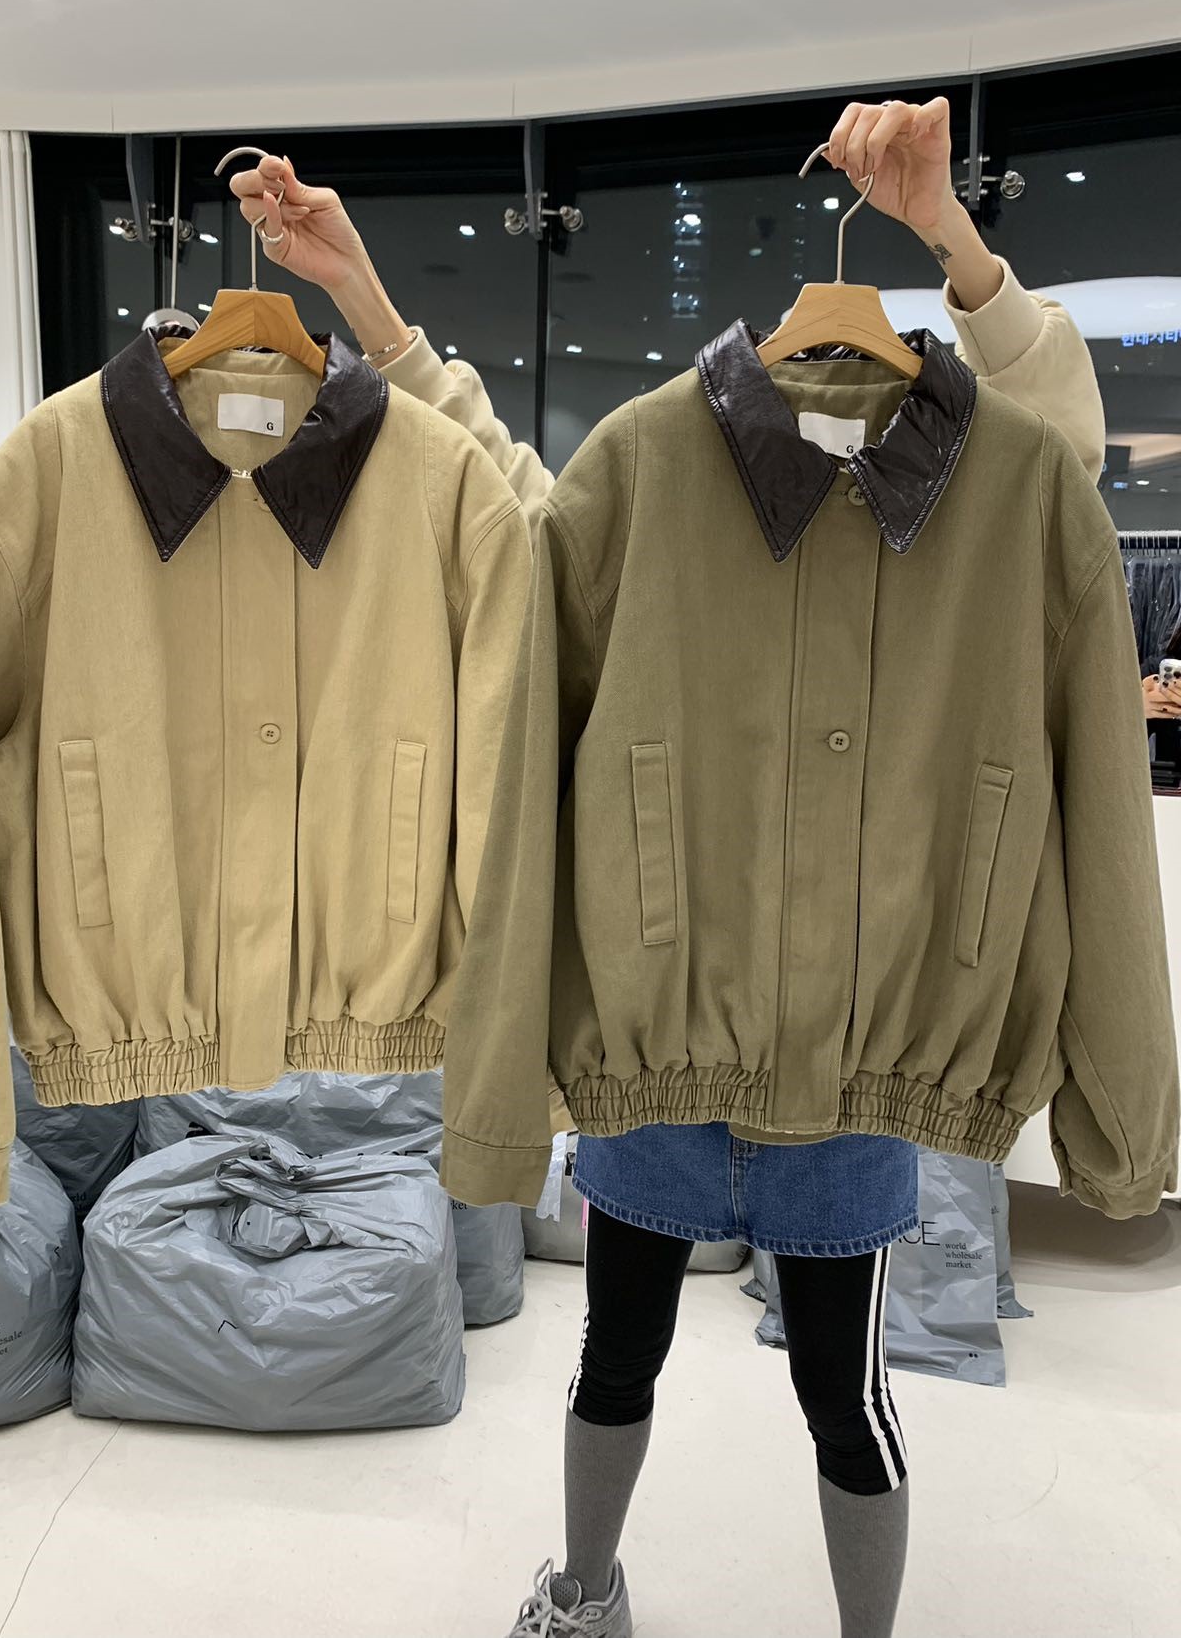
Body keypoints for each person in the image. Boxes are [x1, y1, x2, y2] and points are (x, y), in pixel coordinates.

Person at [232, 97, 1107, 1638]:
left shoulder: (990, 479)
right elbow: (505, 495)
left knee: (844, 1395)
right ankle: (585, 1595)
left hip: (857, 1069)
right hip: (657, 1055)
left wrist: (954, 246)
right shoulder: (651, 468)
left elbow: (1063, 469)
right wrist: (362, 298)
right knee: (614, 1355)